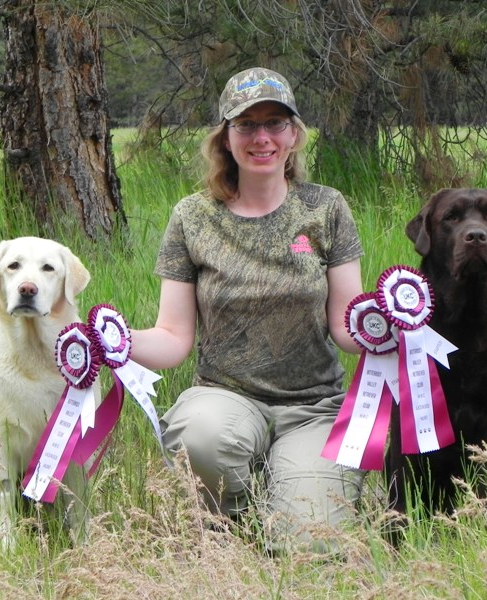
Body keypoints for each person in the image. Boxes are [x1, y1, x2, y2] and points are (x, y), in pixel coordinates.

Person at [130, 67, 366, 553]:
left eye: (275, 123)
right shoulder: (193, 216)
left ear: (294, 134)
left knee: (313, 545)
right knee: (201, 439)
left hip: (314, 408)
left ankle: (289, 488)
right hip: (224, 399)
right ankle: (233, 512)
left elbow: (348, 326)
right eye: (246, 124)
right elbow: (172, 337)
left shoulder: (327, 208)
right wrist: (109, 340)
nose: (262, 137)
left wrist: (391, 327)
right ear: (226, 136)